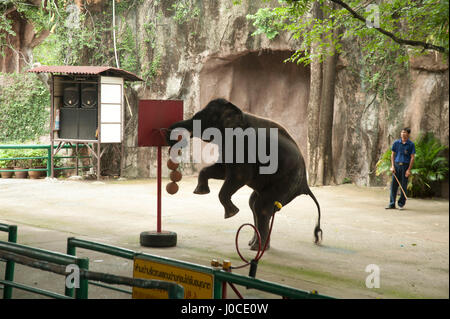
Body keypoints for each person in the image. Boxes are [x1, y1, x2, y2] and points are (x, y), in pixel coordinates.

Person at [386, 128, 415, 210]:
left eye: (404, 132)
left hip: (405, 166)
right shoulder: (396, 143)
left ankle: (401, 204)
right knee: (393, 186)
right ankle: (392, 204)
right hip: (396, 166)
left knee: (403, 186)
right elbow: (392, 155)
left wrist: (408, 169)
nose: (403, 133)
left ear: (408, 134)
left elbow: (412, 158)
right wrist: (392, 166)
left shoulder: (411, 144)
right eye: (402, 132)